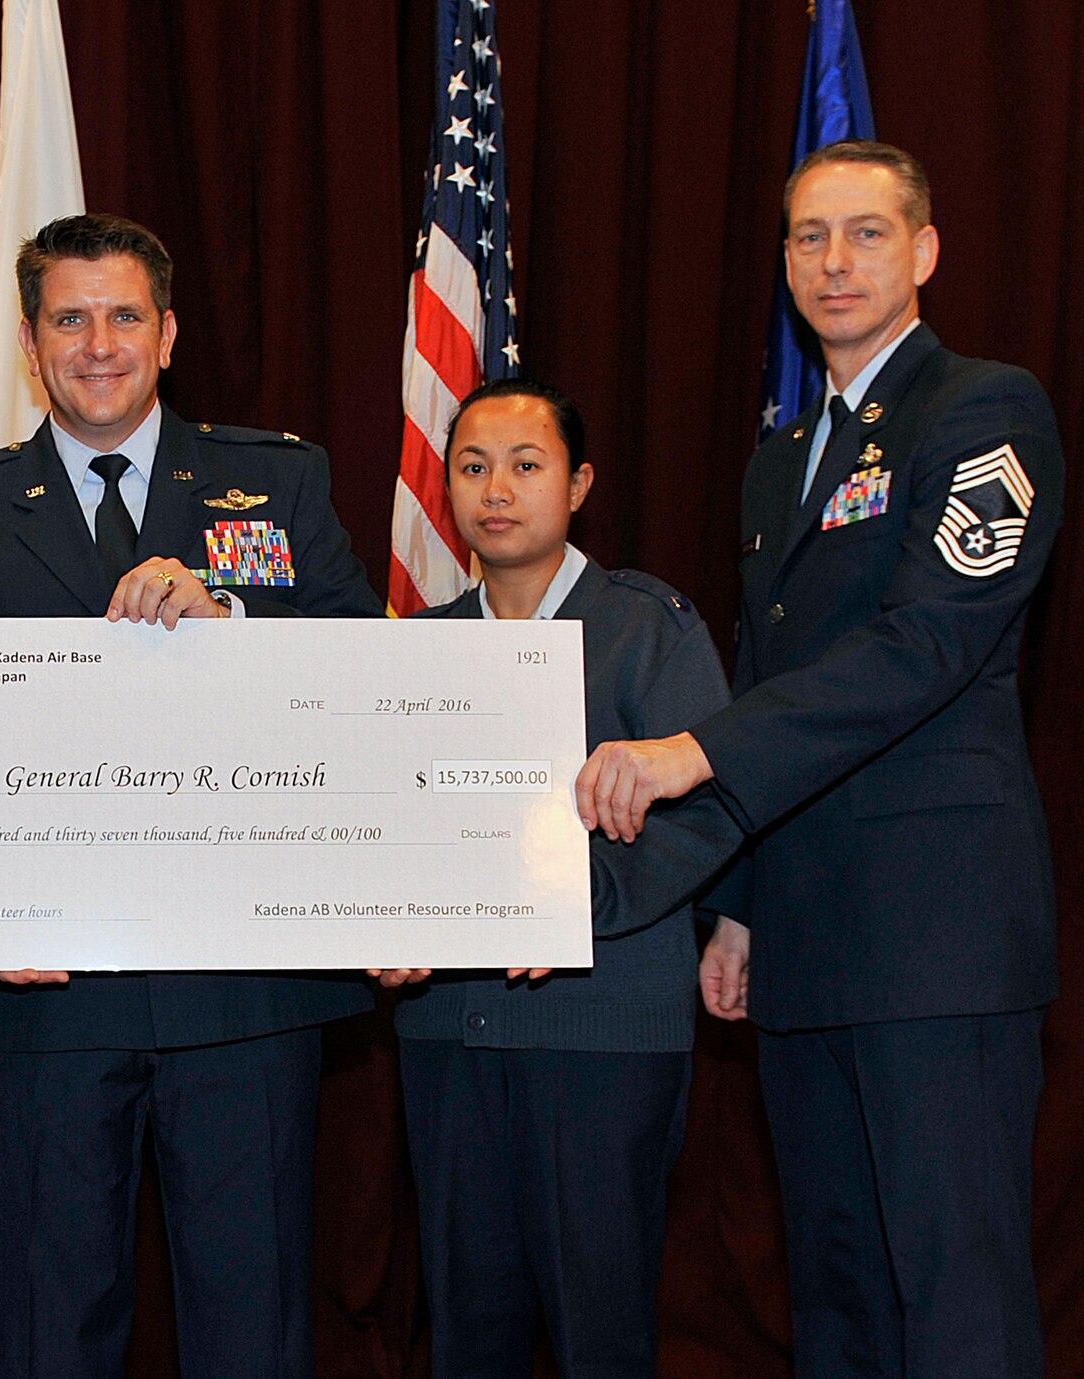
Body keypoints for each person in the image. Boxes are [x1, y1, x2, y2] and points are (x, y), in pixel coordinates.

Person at [575, 140, 1063, 1376]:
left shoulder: (983, 408)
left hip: (935, 932)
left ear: (923, 251)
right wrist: (739, 904)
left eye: (864, 232)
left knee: (952, 1288)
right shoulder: (778, 459)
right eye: (807, 236)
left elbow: (924, 644)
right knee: (835, 1289)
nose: (833, 261)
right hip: (804, 928)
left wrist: (695, 750)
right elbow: (770, 673)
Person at [0, 212, 380, 1379]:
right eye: (69, 318)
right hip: (48, 986)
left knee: (253, 1327)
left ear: (166, 334)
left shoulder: (276, 479)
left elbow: (363, 678)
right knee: (52, 1326)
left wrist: (232, 618)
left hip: (246, 981)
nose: (98, 343)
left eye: (123, 315)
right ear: (28, 344)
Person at [372, 379, 733, 1377]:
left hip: (600, 1032)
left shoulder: (648, 627)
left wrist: (562, 901)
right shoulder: (416, 649)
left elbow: (710, 816)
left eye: (525, 465)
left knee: (597, 1326)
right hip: (449, 1031)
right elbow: (388, 826)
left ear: (577, 485)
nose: (496, 490)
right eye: (472, 466)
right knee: (468, 1326)